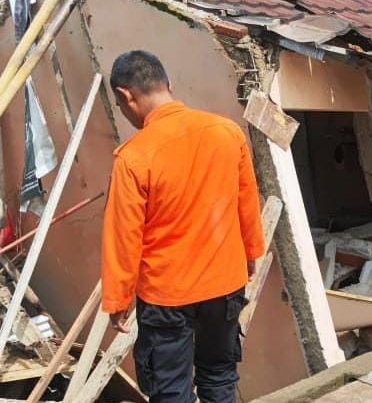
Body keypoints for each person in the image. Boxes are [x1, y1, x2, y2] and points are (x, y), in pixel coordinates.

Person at [101, 50, 265, 403]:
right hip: (224, 285)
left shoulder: (133, 156)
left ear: (125, 95)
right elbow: (247, 202)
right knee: (220, 377)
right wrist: (251, 255)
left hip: (167, 295)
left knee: (170, 391)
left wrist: (118, 298)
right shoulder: (227, 132)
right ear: (168, 85)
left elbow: (124, 235)